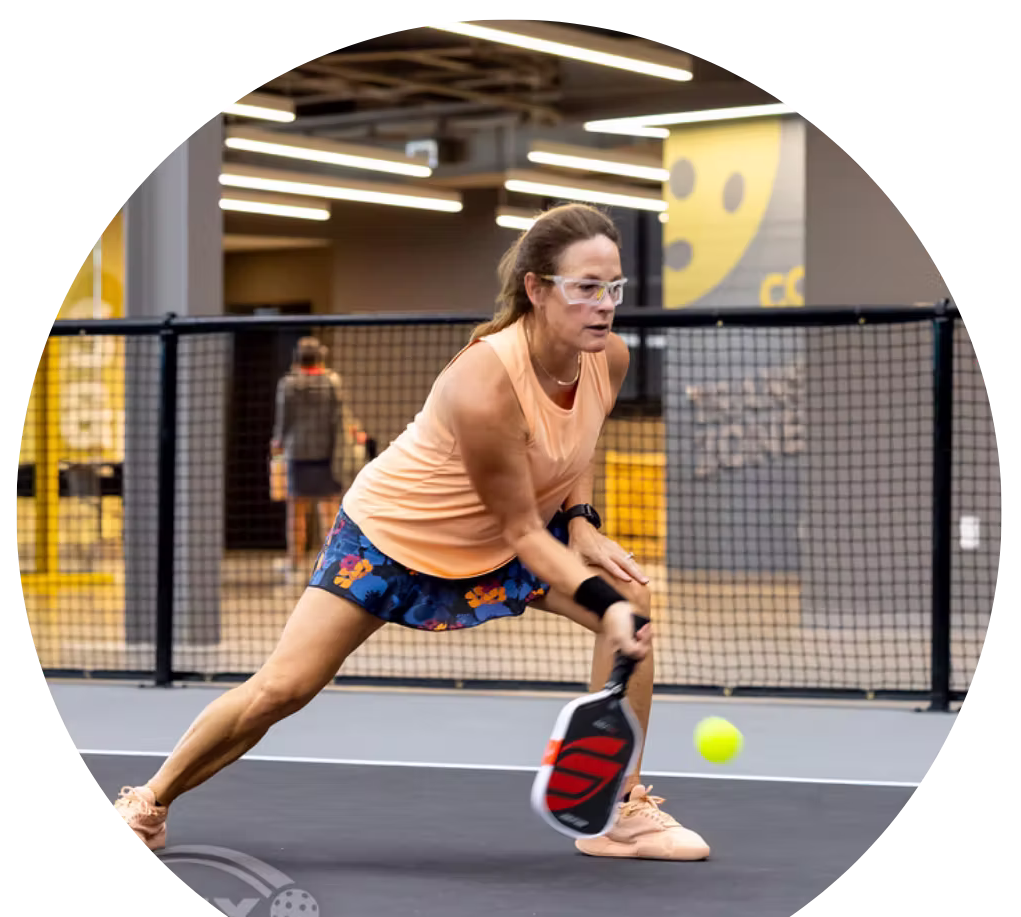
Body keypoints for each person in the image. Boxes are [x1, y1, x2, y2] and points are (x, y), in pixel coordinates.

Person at [113, 202, 710, 862]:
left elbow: (577, 441)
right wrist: (600, 598)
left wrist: (581, 520)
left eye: (614, 287)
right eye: (586, 288)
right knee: (282, 689)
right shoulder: (485, 380)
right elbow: (522, 531)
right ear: (537, 289)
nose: (605, 305)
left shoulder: (607, 358)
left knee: (633, 601)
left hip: (497, 540)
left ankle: (616, 811)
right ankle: (149, 801)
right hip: (391, 538)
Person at [270, 337, 345, 582]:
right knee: (329, 511)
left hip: (297, 452)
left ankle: (294, 563)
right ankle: (330, 564)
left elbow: (283, 421)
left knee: (296, 512)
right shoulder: (331, 382)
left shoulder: (288, 384)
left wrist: (277, 444)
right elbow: (338, 418)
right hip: (326, 453)